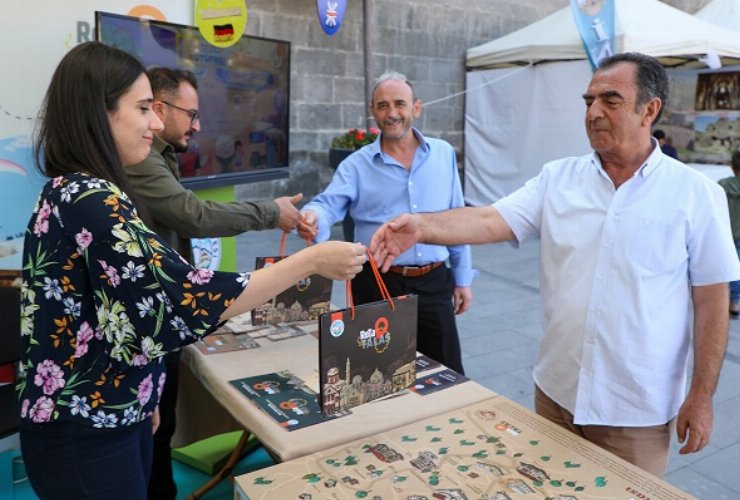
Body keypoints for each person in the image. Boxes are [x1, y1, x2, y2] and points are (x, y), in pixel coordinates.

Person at [17, 41, 365, 500]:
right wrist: (311, 261)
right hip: (87, 430)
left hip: (110, 412)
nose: (156, 124)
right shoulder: (90, 199)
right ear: (98, 114)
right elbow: (182, 299)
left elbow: (121, 314)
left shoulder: (79, 190)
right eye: (144, 109)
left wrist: (145, 397)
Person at [370, 53, 740, 478]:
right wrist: (420, 226)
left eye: (611, 100)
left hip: (634, 410)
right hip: (556, 395)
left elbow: (712, 301)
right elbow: (490, 218)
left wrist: (702, 393)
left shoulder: (695, 193)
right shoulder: (558, 179)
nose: (594, 112)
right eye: (588, 101)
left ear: (650, 109)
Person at [125, 67, 304, 499]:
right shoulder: (138, 162)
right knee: (152, 434)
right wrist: (272, 214)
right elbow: (194, 214)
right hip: (143, 327)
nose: (198, 125)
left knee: (158, 430)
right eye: (191, 113)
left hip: (157, 321)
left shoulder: (155, 156)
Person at [298, 71, 473, 374]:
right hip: (378, 283)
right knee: (377, 374)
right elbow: (328, 205)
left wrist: (462, 278)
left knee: (447, 373)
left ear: (416, 108)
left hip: (434, 283)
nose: (392, 113)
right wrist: (313, 217)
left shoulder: (443, 154)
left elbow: (455, 218)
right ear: (372, 111)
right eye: (382, 105)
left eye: (399, 104)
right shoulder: (356, 165)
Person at [719, 150, 740, 318]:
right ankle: (734, 302)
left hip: (722, 232)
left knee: (718, 266)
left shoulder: (722, 184)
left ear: (731, 166)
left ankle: (718, 299)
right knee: (738, 267)